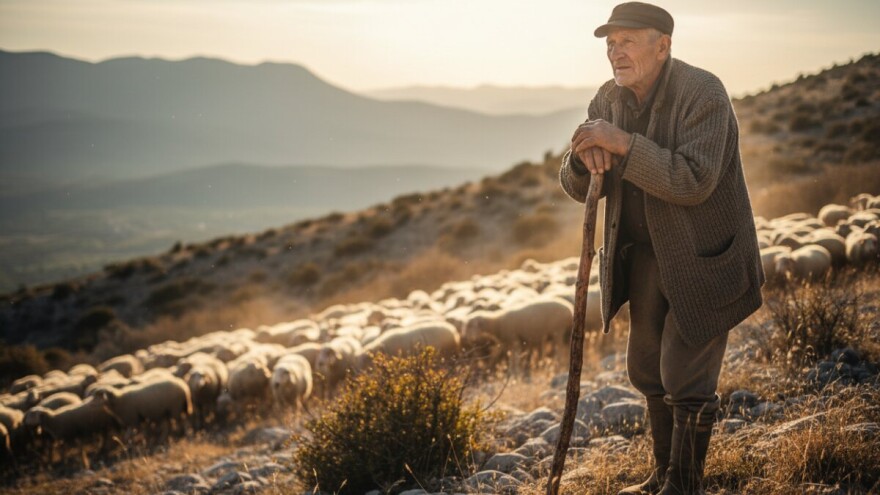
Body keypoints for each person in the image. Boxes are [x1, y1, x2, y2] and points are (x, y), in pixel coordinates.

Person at [558, 2, 765, 494]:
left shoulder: (703, 93)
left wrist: (624, 144)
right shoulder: (608, 99)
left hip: (703, 257)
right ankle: (661, 476)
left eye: (627, 41)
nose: (615, 52)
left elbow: (694, 181)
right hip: (644, 255)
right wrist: (583, 161)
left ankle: (685, 485)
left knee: (686, 377)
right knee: (648, 368)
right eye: (610, 43)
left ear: (663, 46)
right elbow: (578, 180)